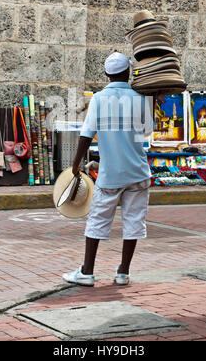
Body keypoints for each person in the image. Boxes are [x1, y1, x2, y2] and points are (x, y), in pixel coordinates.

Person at [62, 51, 154, 287]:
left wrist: (75, 164)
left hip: (111, 174)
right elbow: (146, 132)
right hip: (138, 172)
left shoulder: (99, 99)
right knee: (134, 221)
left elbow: (86, 134)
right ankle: (123, 272)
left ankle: (87, 271)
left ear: (106, 74)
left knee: (98, 220)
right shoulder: (141, 98)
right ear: (128, 72)